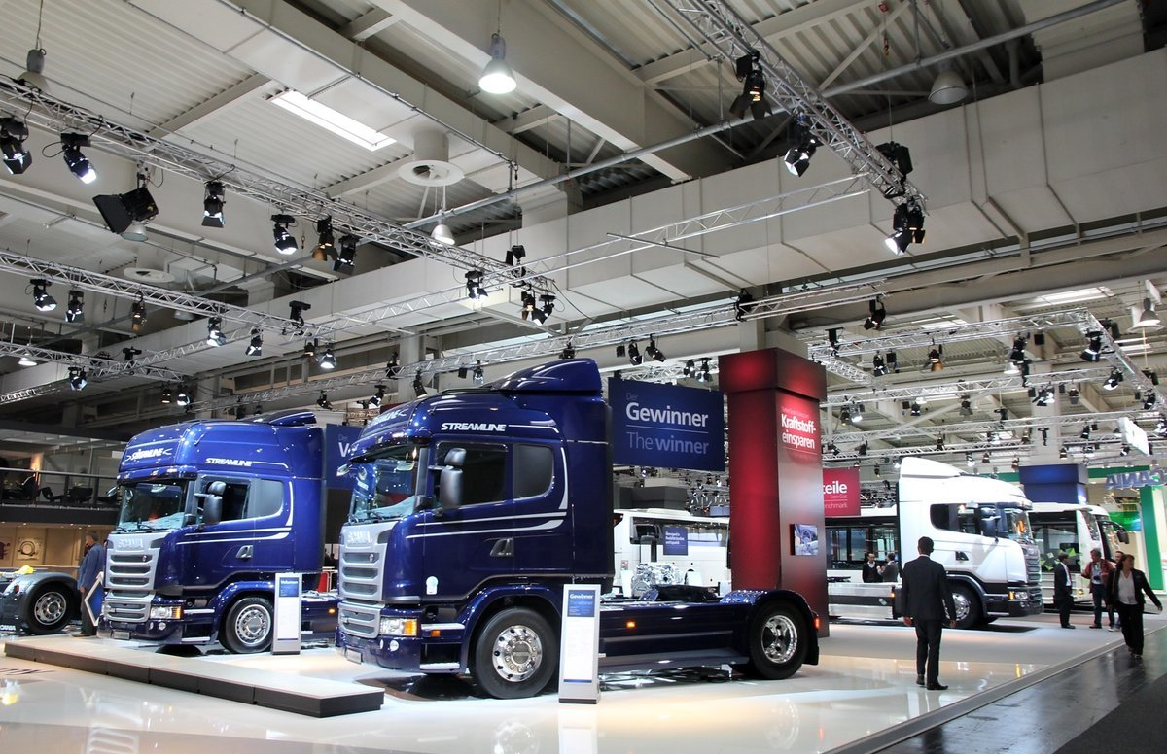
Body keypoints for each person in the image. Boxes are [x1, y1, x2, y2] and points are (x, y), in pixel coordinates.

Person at [900, 535, 957, 690]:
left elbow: (905, 592)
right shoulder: (937, 568)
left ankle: (920, 674)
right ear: (932, 550)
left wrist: (905, 613)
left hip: (917, 613)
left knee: (921, 642)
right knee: (934, 646)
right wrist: (952, 616)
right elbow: (946, 594)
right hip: (934, 613)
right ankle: (932, 681)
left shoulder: (908, 567)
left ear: (918, 548)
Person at [1107, 553, 1162, 659]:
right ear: (1123, 562)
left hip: (1136, 604)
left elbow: (1147, 589)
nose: (1132, 563)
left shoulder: (1138, 574)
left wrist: (1156, 602)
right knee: (1125, 627)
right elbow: (1109, 588)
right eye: (1129, 561)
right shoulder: (1114, 573)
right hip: (1121, 604)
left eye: (1133, 561)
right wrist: (1109, 602)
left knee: (1137, 627)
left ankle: (1138, 650)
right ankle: (1131, 644)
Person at [76, 531, 105, 637]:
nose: (86, 542)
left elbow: (89, 569)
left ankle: (85, 630)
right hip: (97, 584)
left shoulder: (93, 551)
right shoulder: (101, 549)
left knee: (85, 608)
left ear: (91, 539)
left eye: (87, 539)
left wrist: (83, 584)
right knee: (94, 608)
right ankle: (93, 630)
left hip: (89, 584)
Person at [1080, 547, 1114, 629]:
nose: (1092, 557)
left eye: (1093, 556)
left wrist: (1104, 575)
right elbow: (1086, 573)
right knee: (1097, 606)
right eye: (1091, 556)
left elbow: (1113, 572)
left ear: (1098, 556)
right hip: (1095, 586)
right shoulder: (1090, 564)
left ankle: (1112, 623)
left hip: (1104, 586)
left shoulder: (1106, 563)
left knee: (1109, 605)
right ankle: (1097, 623)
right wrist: (1084, 574)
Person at [1053, 551, 1076, 629]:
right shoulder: (1059, 568)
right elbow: (1061, 581)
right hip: (1062, 591)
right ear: (1064, 559)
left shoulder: (1065, 567)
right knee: (1064, 608)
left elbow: (1068, 579)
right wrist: (1066, 590)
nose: (1069, 560)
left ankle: (1066, 622)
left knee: (1067, 607)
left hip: (1067, 589)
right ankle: (1064, 623)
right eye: (1068, 558)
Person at [1111, 549, 1125, 632]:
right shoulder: (1114, 567)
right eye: (1115, 556)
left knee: (1122, 609)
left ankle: (1118, 624)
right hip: (1116, 592)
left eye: (1118, 557)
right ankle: (1119, 624)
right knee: (1120, 609)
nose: (1116, 558)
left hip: (1123, 592)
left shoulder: (1124, 568)